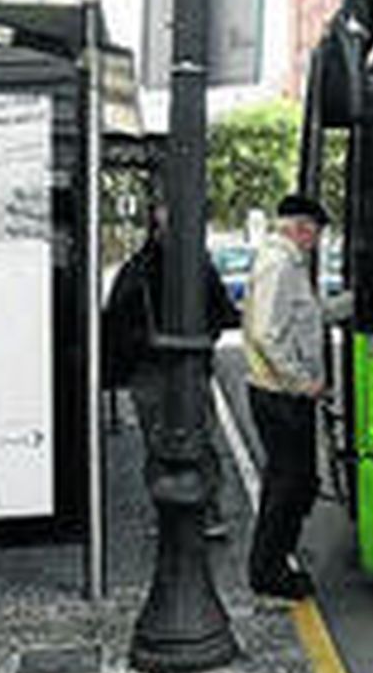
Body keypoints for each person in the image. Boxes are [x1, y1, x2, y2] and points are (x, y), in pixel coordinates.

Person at [102, 199, 241, 539]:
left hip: (156, 370)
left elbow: (116, 322)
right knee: (195, 439)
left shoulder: (140, 268)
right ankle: (203, 511)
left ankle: (178, 512)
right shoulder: (191, 267)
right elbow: (222, 313)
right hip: (179, 369)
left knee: (164, 442)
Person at [242, 192, 333, 602]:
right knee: (287, 484)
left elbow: (304, 317)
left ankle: (278, 557)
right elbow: (266, 333)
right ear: (300, 227)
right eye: (314, 233)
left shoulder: (285, 264)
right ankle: (269, 570)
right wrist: (301, 382)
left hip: (285, 394)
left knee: (299, 482)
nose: (315, 241)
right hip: (280, 395)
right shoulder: (279, 265)